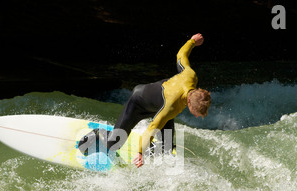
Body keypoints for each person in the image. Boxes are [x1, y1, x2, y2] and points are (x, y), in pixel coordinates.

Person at [78, 33, 211, 168]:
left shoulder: (190, 76)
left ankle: (157, 150)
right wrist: (140, 153)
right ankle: (98, 133)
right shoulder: (170, 107)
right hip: (138, 103)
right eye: (195, 112)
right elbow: (151, 129)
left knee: (168, 146)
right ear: (189, 102)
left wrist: (192, 41)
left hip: (158, 105)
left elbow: (181, 56)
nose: (196, 115)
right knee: (114, 143)